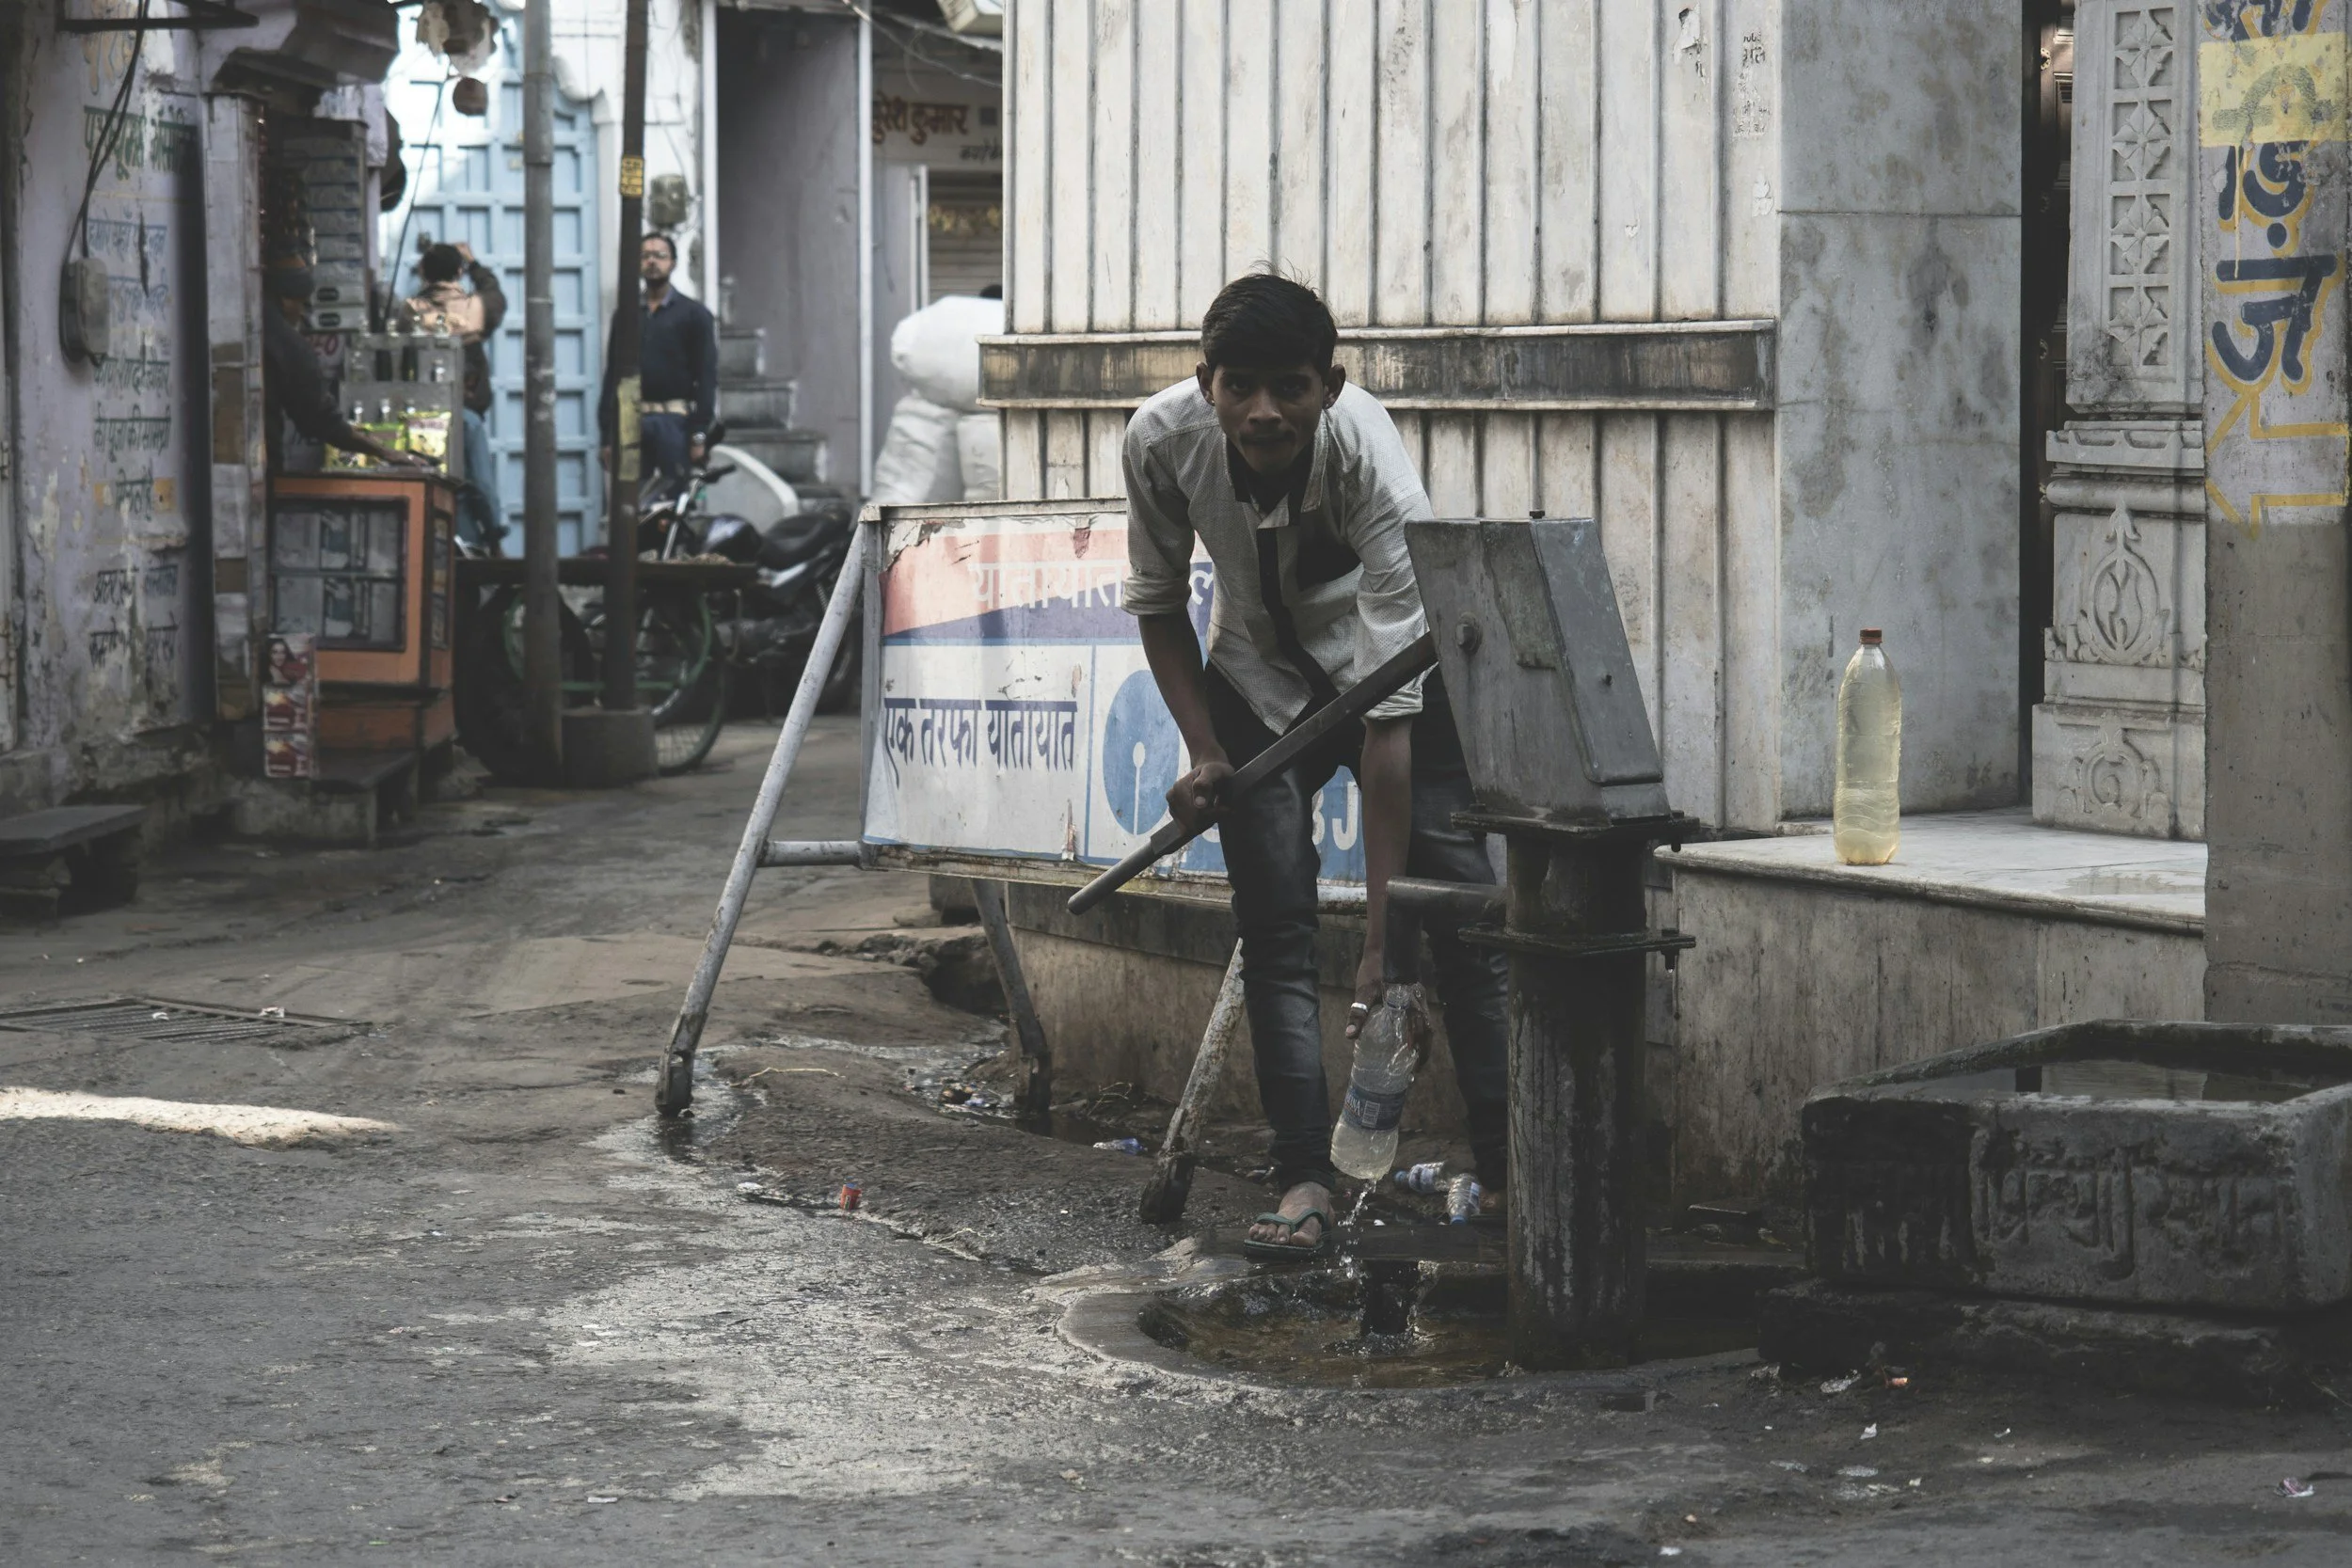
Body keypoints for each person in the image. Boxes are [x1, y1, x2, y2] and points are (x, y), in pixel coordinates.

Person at [1122, 273, 1512, 1256]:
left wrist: (1384, 945)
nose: (1264, 412)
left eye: (1288, 388)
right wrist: (1205, 748)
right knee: (1276, 929)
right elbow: (1159, 602)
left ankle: (1516, 1172)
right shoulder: (1158, 442)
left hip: (1386, 678)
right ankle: (1303, 1180)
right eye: (1239, 386)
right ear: (1203, 382)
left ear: (1329, 385)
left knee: (1457, 915)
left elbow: (1387, 735)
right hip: (1253, 679)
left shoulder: (1373, 468)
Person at [262, 261, 417, 473]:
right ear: (286, 301)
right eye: (303, 304)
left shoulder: (258, 326)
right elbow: (322, 420)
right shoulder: (287, 344)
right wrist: (385, 452)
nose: (304, 316)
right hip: (262, 461)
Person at [405, 241, 507, 549]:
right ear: (459, 272)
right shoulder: (475, 307)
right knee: (474, 482)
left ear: (423, 272)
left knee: (441, 488)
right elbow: (495, 295)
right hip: (465, 413)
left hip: (421, 417)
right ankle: (486, 540)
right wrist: (474, 263)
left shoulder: (408, 310)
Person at [597, 232, 718, 492]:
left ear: (673, 263)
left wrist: (699, 437)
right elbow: (613, 377)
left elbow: (707, 378)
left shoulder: (695, 315)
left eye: (660, 256)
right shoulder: (626, 315)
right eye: (645, 256)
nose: (652, 262)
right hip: (631, 420)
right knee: (630, 505)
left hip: (674, 423)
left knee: (672, 503)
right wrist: (607, 436)